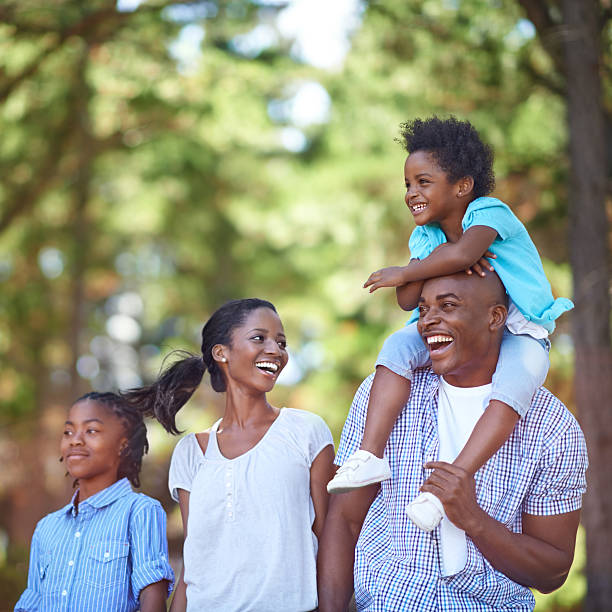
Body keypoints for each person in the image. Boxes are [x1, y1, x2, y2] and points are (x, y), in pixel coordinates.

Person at [326, 117, 573, 532]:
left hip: (518, 325)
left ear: (461, 186)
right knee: (395, 349)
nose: (411, 193)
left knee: (511, 392)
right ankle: (369, 455)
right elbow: (409, 300)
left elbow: (460, 258)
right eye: (407, 184)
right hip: (455, 322)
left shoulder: (489, 211)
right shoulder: (426, 237)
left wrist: (410, 270)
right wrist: (421, 268)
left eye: (423, 182)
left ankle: (446, 487)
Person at [317, 270, 587, 611]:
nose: (429, 320)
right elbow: (344, 520)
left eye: (448, 306)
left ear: (495, 317)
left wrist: (474, 520)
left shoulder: (552, 427)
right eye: (424, 308)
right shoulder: (383, 395)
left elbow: (553, 571)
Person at [122, 298, 335, 612]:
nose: (275, 350)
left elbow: (330, 540)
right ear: (221, 353)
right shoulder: (191, 453)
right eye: (259, 338)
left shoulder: (306, 431)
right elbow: (193, 563)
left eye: (281, 342)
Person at [15, 392, 174, 612]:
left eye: (91, 430)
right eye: (68, 432)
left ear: (123, 445)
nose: (75, 440)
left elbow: (152, 598)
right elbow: (30, 604)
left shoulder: (139, 512)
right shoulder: (46, 528)